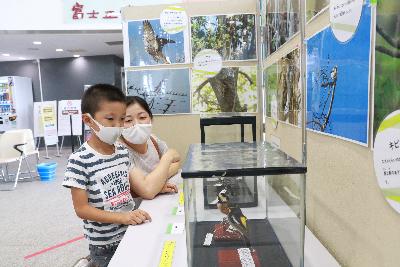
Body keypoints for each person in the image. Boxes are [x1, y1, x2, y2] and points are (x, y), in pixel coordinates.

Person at [62, 84, 179, 267]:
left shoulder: (122, 153)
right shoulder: (79, 160)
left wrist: (159, 188)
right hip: (104, 244)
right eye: (110, 119)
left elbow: (127, 190)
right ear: (88, 120)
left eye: (121, 119)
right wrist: (122, 217)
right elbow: (82, 209)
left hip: (131, 230)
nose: (117, 126)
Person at [119, 96, 181, 199]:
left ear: (151, 119)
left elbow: (176, 161)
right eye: (128, 120)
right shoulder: (119, 152)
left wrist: (156, 182)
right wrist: (167, 158)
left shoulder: (153, 140)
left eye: (142, 118)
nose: (136, 124)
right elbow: (148, 191)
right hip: (132, 212)